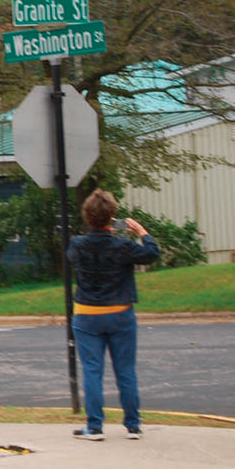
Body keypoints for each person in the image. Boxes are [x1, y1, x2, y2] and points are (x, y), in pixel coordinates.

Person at [67, 188, 160, 441]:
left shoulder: (77, 245)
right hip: (120, 312)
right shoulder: (123, 247)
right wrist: (143, 234)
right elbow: (151, 255)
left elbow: (73, 258)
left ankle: (94, 426)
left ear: (87, 217)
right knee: (125, 371)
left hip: (87, 314)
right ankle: (133, 425)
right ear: (112, 218)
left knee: (92, 371)